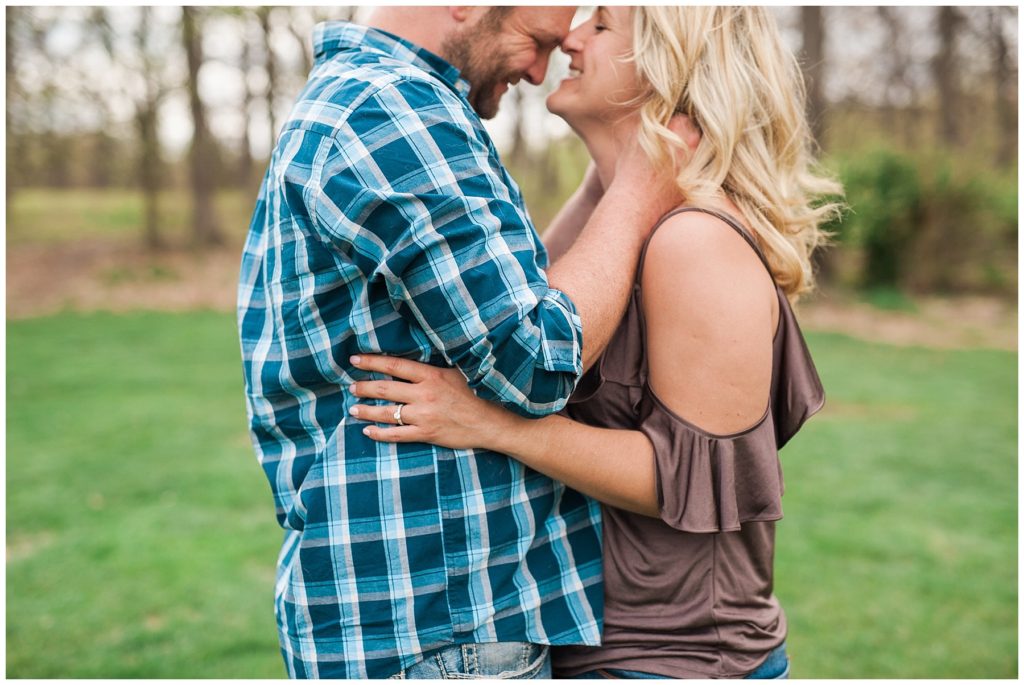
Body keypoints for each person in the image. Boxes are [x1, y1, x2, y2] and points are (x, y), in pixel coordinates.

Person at [347, 6, 844, 679]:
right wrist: (615, 176)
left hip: (678, 656)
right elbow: (526, 337)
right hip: (587, 639)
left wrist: (493, 426)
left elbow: (700, 476)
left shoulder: (695, 242)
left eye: (602, 26)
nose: (570, 38)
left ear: (666, 71)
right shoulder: (624, 223)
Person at [237, 6, 687, 680]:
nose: (539, 70)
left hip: (426, 627)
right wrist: (641, 188)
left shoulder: (377, 102)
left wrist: (607, 185)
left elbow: (514, 296)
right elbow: (538, 358)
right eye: (533, 43)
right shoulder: (391, 115)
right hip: (446, 634)